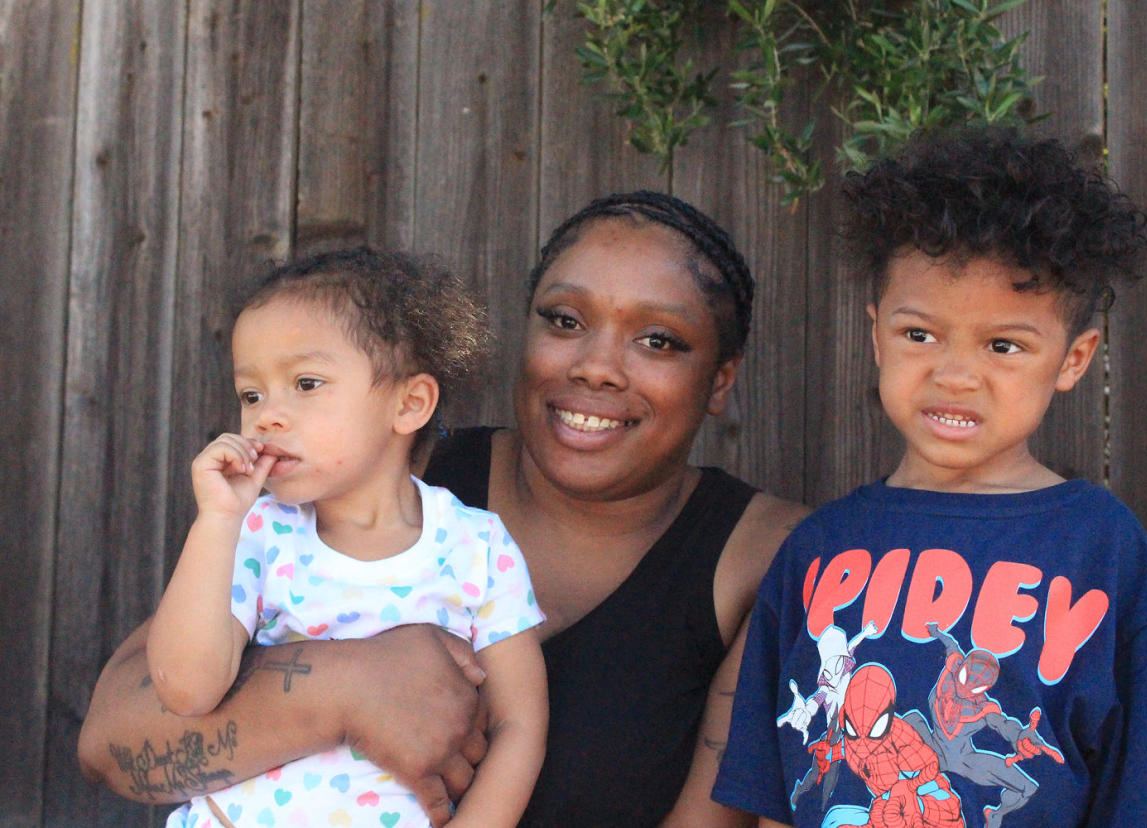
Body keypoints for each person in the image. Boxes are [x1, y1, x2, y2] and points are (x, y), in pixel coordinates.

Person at [78, 191, 812, 827]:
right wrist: (346, 687)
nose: (594, 364)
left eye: (658, 339)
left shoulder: (768, 559)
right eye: (563, 320)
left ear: (720, 381)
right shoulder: (374, 479)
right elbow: (113, 743)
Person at [711, 129, 1147, 827]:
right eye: (919, 334)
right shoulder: (816, 547)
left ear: (1074, 360)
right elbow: (775, 791)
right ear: (875, 332)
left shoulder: (1099, 546)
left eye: (1004, 345)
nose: (954, 375)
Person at [145, 248, 548, 827]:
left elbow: (520, 725)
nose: (266, 417)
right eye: (250, 394)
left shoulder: (479, 548)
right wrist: (216, 523)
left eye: (306, 383)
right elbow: (185, 690)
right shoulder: (257, 533)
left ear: (409, 404)